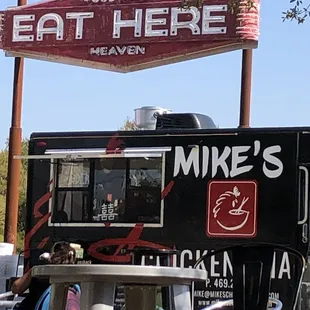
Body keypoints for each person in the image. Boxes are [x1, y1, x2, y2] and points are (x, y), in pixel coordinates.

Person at [12, 241, 76, 310]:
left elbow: (16, 288)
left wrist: (33, 272)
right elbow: (16, 288)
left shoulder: (39, 272)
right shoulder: (76, 279)